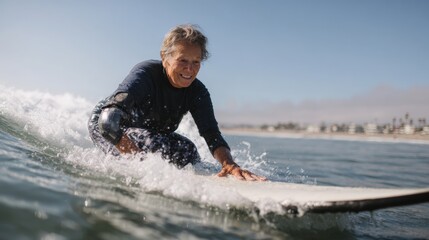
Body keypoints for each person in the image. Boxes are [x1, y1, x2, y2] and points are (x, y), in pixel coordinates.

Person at [88, 24, 266, 181]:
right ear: (165, 58)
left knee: (187, 151)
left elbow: (211, 134)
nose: (189, 69)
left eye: (196, 62)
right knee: (152, 146)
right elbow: (108, 122)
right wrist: (141, 167)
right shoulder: (146, 74)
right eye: (182, 60)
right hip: (109, 125)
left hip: (148, 131)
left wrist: (229, 164)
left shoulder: (198, 92)